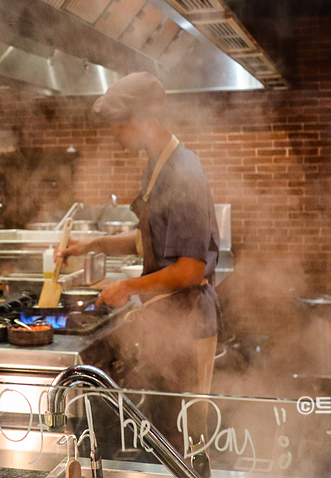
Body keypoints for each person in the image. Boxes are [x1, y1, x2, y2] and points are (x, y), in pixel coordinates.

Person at [59, 71, 221, 401]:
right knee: (163, 431)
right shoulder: (156, 166)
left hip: (187, 323)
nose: (116, 139)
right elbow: (152, 239)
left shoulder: (183, 172)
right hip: (167, 321)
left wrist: (127, 287)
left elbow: (189, 269)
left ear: (144, 119)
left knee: (183, 437)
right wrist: (92, 245)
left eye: (120, 127)